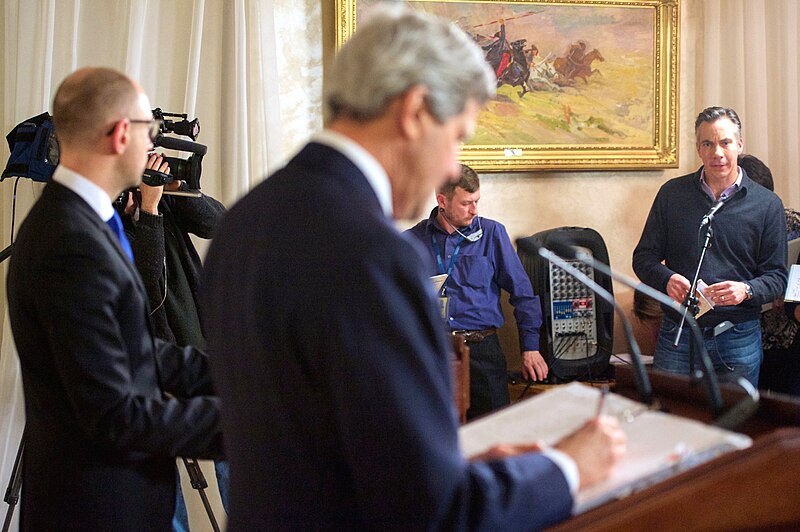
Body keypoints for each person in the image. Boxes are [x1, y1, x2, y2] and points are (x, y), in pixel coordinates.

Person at [200, 7, 625, 531]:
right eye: (457, 136)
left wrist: (459, 468)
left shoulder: (243, 221)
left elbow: (328, 444)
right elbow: (433, 512)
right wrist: (566, 469)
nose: (451, 166)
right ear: (415, 110)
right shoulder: (375, 254)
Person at [6, 67, 223, 530]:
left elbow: (135, 351)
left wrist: (239, 374)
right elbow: (114, 414)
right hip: (98, 510)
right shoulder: (68, 242)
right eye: (152, 131)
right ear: (123, 133)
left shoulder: (85, 221)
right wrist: (248, 418)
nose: (156, 146)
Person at [632, 106, 788, 387]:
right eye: (708, 143)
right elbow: (644, 258)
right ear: (698, 149)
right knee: (674, 423)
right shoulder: (672, 194)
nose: (717, 152)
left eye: (725, 142)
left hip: (738, 337)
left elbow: (777, 278)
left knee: (732, 426)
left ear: (739, 145)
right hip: (678, 333)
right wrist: (667, 280)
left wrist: (746, 290)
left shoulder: (767, 205)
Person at [117, 156, 229, 530]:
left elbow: (218, 223)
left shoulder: (165, 199)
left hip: (200, 352)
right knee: (162, 475)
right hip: (150, 363)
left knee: (234, 456)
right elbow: (152, 289)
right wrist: (146, 212)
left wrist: (178, 191)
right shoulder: (105, 216)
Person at [405, 164, 548, 419]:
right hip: (433, 353)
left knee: (494, 431)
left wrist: (530, 347)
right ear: (442, 201)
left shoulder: (492, 234)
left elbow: (523, 293)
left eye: (477, 201)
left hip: (482, 351)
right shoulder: (413, 241)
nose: (475, 210)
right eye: (466, 203)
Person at [737, 154, 800, 395]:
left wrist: (789, 294)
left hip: (788, 331)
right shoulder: (724, 225)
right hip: (745, 332)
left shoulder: (792, 222)